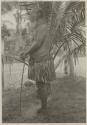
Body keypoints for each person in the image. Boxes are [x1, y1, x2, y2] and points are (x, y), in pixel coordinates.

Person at [20, 8, 56, 114]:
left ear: (38, 14)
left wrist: (26, 53)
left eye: (33, 13)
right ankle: (44, 104)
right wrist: (26, 52)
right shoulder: (39, 27)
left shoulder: (42, 27)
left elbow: (38, 43)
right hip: (41, 59)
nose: (30, 15)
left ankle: (44, 107)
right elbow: (35, 43)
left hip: (42, 60)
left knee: (42, 84)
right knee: (41, 84)